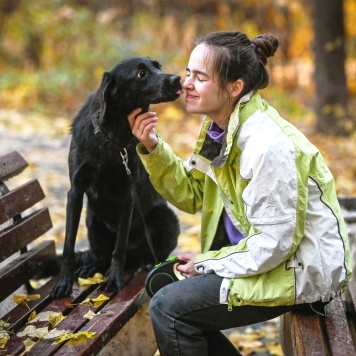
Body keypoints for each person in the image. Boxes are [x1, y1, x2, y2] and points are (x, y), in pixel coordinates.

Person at [127, 31, 352, 356]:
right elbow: (192, 194)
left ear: (235, 87)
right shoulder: (222, 128)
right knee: (163, 285)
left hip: (304, 272)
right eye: (188, 72)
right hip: (276, 257)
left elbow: (275, 243)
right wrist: (152, 145)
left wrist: (208, 262)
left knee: (168, 309)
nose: (185, 83)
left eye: (200, 77)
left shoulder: (266, 147)